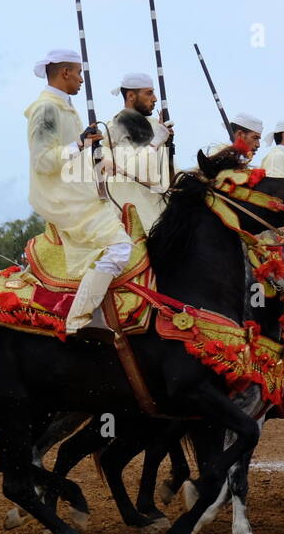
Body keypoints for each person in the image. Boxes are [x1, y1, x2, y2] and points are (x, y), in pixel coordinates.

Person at [26, 48, 133, 338]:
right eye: (79, 72)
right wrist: (80, 146)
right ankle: (78, 321)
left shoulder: (63, 107)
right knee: (120, 248)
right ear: (65, 73)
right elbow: (42, 160)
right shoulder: (46, 108)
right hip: (64, 197)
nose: (81, 79)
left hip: (80, 190)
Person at [103, 72, 175, 231]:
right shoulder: (118, 125)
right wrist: (156, 142)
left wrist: (168, 144)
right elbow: (131, 169)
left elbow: (167, 175)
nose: (155, 98)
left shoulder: (155, 124)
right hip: (136, 218)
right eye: (149, 93)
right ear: (130, 95)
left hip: (160, 212)